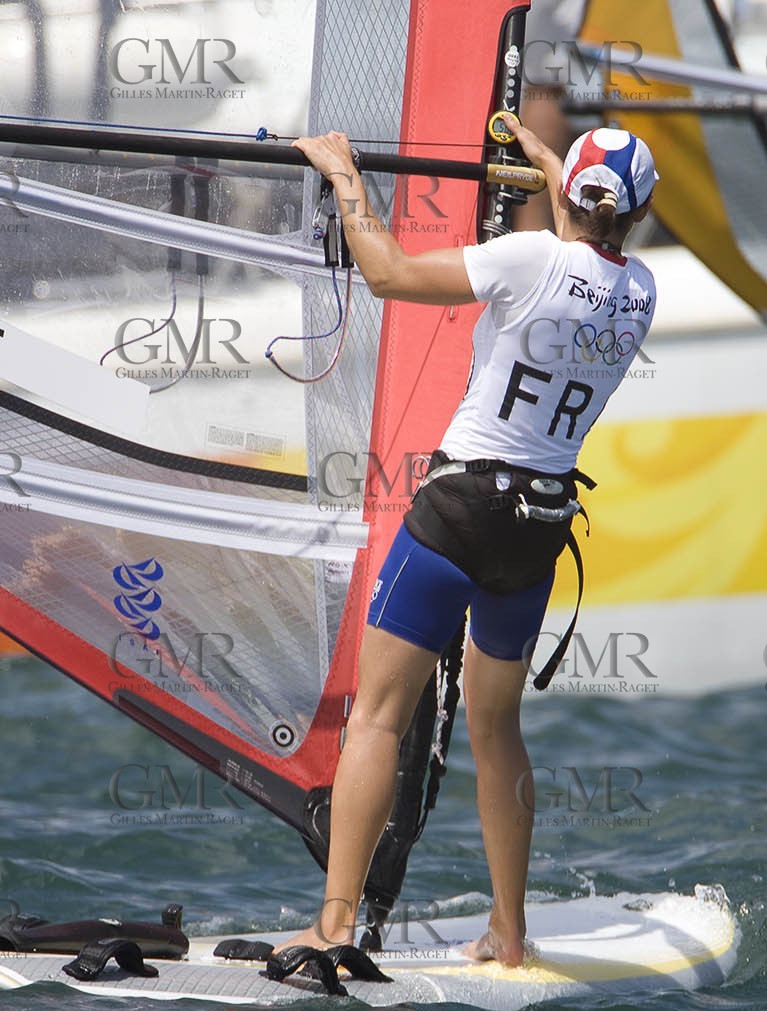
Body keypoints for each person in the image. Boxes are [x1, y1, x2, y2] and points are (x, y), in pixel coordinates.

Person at [279, 118, 658, 968]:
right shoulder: (640, 292)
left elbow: (386, 272)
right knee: (497, 727)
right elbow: (586, 244)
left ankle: (332, 927)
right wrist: (554, 165)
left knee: (377, 716)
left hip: (461, 510)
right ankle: (509, 932)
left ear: (566, 199)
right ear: (639, 214)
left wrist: (345, 178)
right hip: (539, 531)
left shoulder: (527, 259)